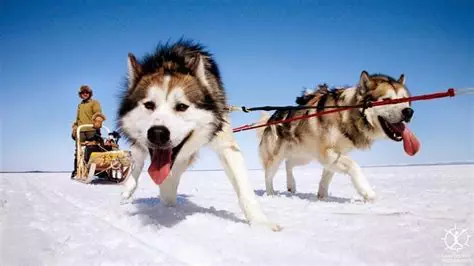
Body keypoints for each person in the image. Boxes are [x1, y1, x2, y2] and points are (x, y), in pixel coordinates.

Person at [71, 85, 106, 178]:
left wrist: (98, 120)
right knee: (79, 151)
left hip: (92, 129)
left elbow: (98, 112)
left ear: (90, 93)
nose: (85, 94)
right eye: (83, 93)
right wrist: (75, 127)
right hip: (81, 130)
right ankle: (77, 170)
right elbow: (78, 118)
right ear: (80, 95)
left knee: (94, 149)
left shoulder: (94, 102)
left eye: (87, 92)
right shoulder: (80, 105)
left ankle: (100, 171)